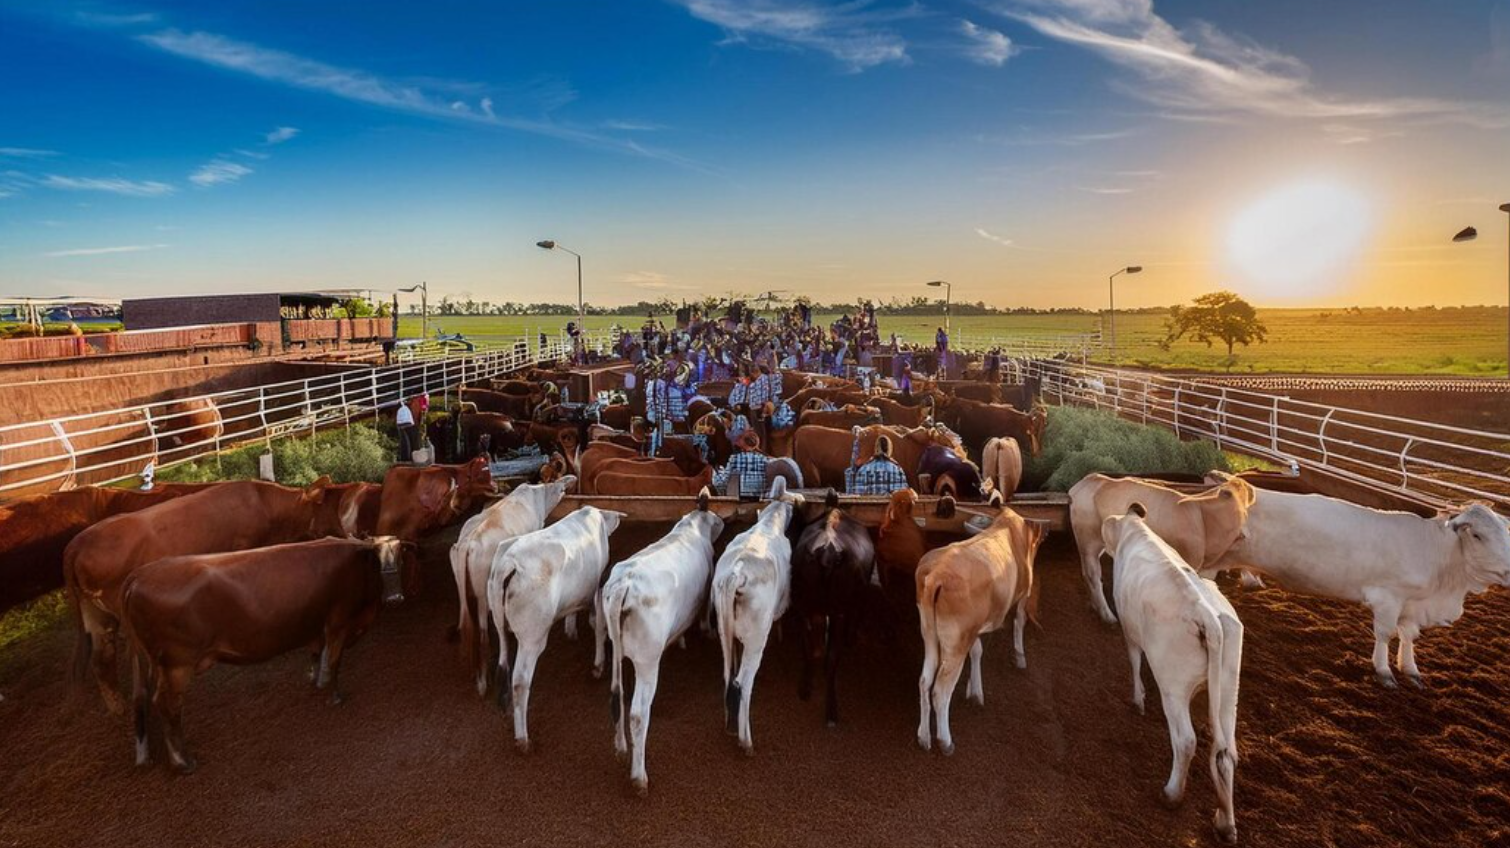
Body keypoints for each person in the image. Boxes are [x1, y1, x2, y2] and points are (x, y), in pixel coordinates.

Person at [712, 428, 769, 498]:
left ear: (743, 442)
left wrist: (716, 473)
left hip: (739, 501)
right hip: (759, 500)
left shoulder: (735, 458)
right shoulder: (764, 460)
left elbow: (721, 483)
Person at [396, 398, 417, 462]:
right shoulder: (405, 409)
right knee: (407, 442)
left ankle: (406, 458)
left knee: (405, 442)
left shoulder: (403, 409)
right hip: (407, 425)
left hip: (404, 425)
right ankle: (407, 457)